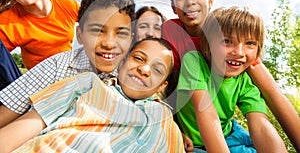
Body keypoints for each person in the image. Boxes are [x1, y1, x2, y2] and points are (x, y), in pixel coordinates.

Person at [163, 0, 300, 152]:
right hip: (194, 126)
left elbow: (264, 113)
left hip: (228, 129)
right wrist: (172, 126)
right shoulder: (176, 38)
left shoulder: (237, 48)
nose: (189, 2)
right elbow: (166, 85)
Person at [0, 38, 185, 153]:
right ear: (121, 63)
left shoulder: (165, 119)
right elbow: (16, 134)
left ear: (162, 85)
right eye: (138, 58)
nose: (144, 69)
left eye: (157, 69)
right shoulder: (86, 84)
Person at [0, 0, 135, 128]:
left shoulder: (136, 75)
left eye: (121, 34)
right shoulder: (55, 67)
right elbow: (6, 114)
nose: (109, 43)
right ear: (80, 35)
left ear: (131, 39)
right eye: (97, 30)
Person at [176, 6, 287, 152]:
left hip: (231, 134)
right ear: (208, 43)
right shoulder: (194, 61)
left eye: (250, 43)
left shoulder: (244, 79)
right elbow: (207, 114)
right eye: (227, 41)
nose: (239, 52)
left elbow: (260, 125)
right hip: (197, 143)